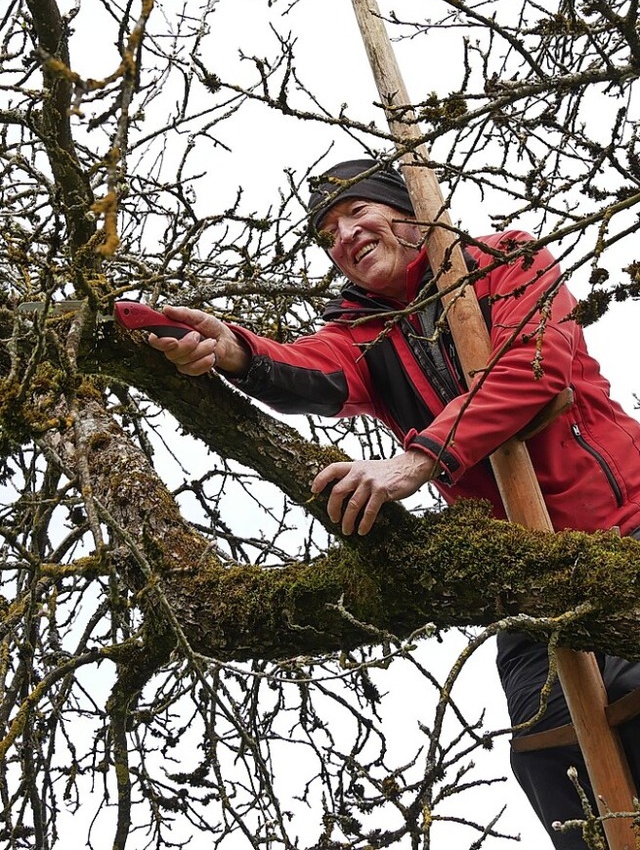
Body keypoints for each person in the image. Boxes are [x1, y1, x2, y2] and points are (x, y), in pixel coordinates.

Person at [149, 158, 640, 848]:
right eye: (327, 234)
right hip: (523, 572)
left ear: (410, 210)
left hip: (625, 525)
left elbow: (535, 368)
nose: (344, 235)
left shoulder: (508, 261)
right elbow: (307, 370)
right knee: (545, 753)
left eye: (356, 213)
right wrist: (234, 349)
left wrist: (416, 460)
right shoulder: (366, 333)